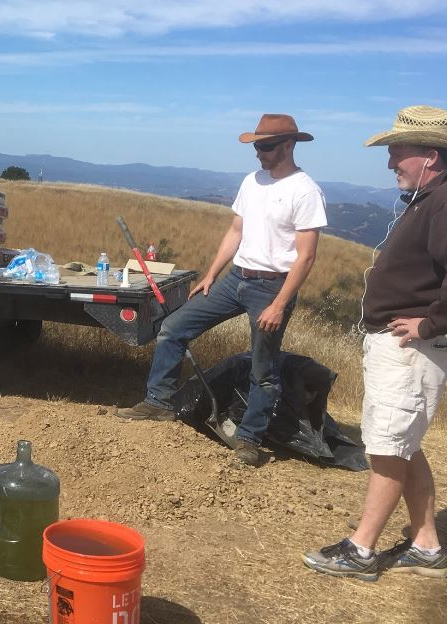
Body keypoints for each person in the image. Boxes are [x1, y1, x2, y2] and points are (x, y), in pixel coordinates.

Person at [118, 114, 327, 467]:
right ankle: (159, 402)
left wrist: (279, 304)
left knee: (264, 369)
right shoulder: (252, 181)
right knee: (173, 329)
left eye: (266, 146)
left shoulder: (305, 190)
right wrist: (211, 274)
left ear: (289, 145)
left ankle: (249, 439)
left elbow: (306, 257)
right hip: (235, 279)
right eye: (256, 145)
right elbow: (235, 232)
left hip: (272, 287)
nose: (258, 152)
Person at [304, 105, 447, 581]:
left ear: (430, 155)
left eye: (397, 153)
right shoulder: (431, 198)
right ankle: (426, 545)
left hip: (410, 351)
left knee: (386, 447)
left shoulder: (444, 201)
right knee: (402, 443)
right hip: (404, 350)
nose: (389, 164)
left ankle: (361, 551)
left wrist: (429, 325)